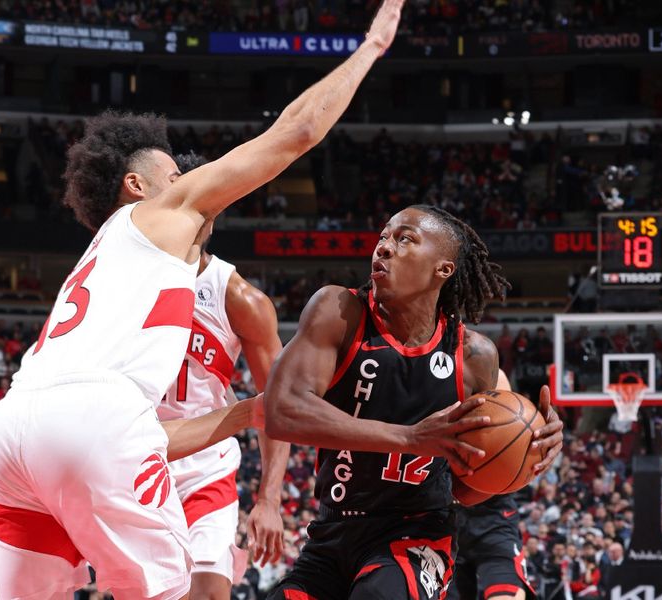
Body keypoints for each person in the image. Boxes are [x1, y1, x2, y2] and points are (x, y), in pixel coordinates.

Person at [0, 3, 407, 598]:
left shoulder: (102, 260)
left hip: (9, 430)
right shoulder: (157, 214)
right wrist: (371, 48)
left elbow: (133, 433)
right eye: (175, 174)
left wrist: (248, 415)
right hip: (97, 425)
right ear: (138, 186)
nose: (188, 184)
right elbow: (296, 133)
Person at [264, 205, 563, 599]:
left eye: (405, 239)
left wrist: (525, 458)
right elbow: (281, 411)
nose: (384, 247)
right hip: (331, 533)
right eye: (384, 237)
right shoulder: (339, 311)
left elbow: (465, 488)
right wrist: (410, 438)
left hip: (417, 535)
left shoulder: (474, 356)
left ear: (443, 269)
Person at [156, 152, 289, 599]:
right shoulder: (126, 278)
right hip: (137, 458)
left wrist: (269, 497)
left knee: (210, 593)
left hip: (203, 465)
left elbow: (278, 402)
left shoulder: (240, 299)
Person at [448, 370, 536, 600]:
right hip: (439, 514)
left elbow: (509, 436)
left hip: (491, 513)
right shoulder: (417, 375)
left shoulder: (488, 370)